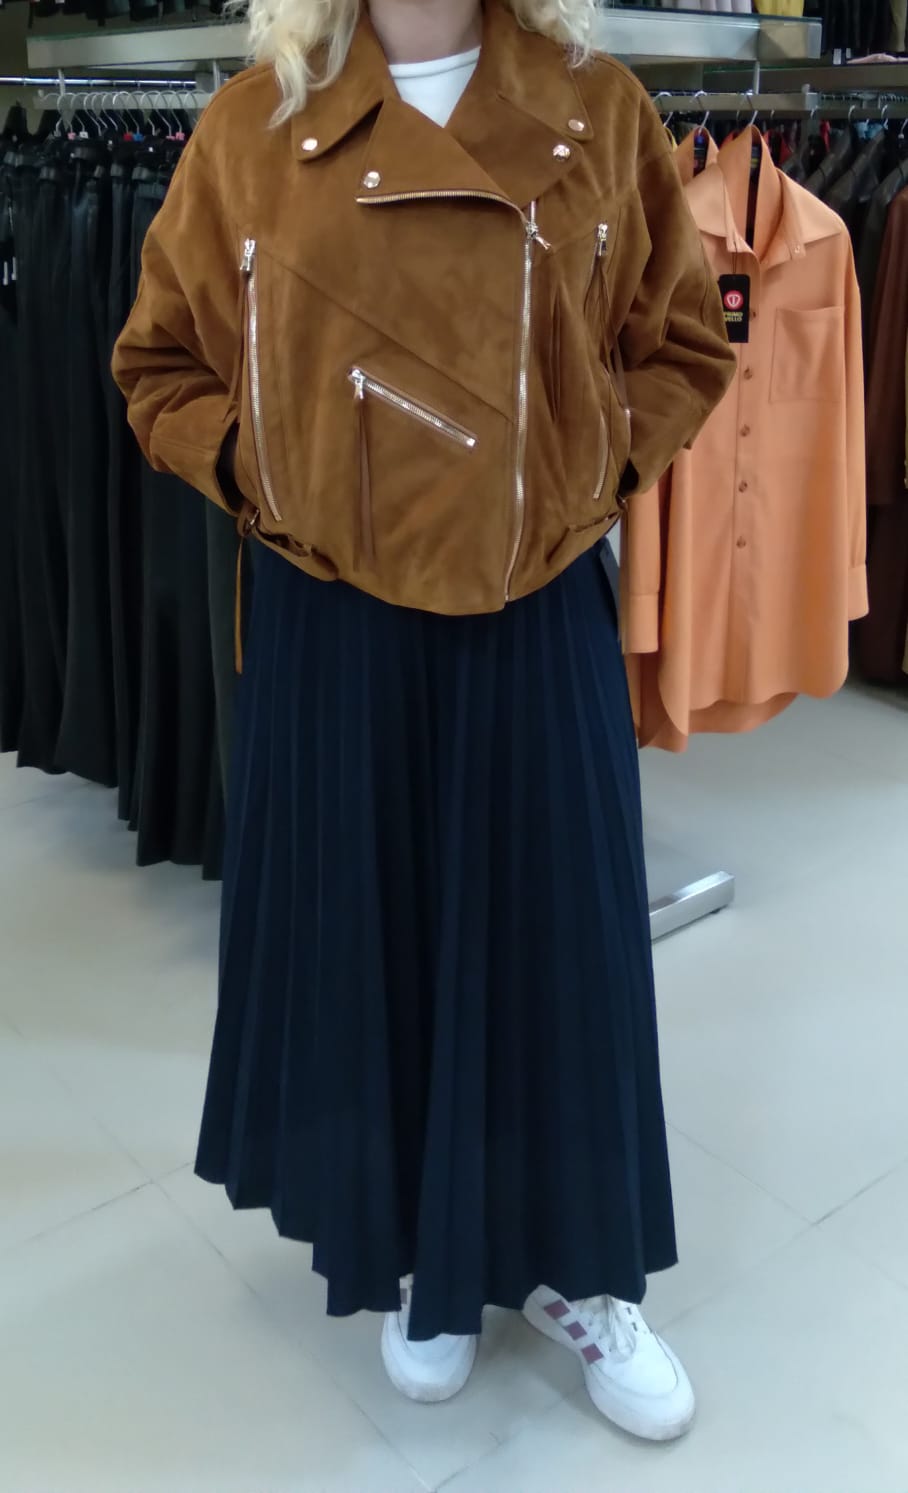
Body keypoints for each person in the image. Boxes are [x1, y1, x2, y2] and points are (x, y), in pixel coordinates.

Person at [113, 0, 735, 1443]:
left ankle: (585, 1268)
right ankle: (425, 1259)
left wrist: (586, 469)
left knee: (558, 945)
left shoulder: (599, 110)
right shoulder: (252, 128)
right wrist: (273, 472)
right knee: (374, 935)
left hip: (534, 601)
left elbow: (683, 347)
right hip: (337, 616)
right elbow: (160, 366)